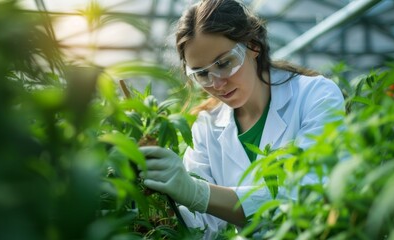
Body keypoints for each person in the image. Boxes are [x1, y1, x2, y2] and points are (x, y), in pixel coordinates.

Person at [139, 0, 345, 238]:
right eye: (202, 74)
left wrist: (198, 192)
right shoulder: (206, 126)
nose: (216, 84)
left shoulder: (316, 95)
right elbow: (201, 227)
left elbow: (311, 196)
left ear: (253, 46)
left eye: (224, 63)